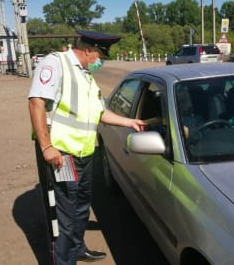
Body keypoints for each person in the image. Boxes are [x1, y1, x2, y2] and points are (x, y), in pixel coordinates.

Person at [28, 30, 147, 265]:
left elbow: (100, 112)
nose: (101, 61)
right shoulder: (55, 63)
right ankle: (64, 261)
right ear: (89, 50)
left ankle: (78, 248)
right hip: (62, 155)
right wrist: (46, 147)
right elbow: (36, 103)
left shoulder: (86, 76)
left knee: (81, 206)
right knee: (66, 215)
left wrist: (129, 122)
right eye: (100, 55)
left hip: (85, 153)